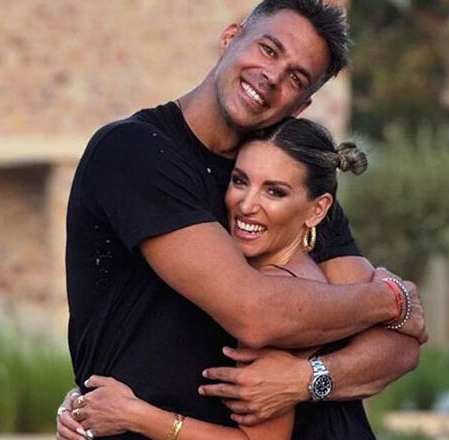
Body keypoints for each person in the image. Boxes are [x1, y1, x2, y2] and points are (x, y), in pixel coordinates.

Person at [57, 2, 427, 440]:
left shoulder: (290, 179)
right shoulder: (135, 153)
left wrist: (305, 379)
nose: (272, 76)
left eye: (295, 78)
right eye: (269, 49)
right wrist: (390, 300)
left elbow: (400, 346)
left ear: (301, 105)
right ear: (231, 37)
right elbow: (254, 314)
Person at [64, 118, 383, 439]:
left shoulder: (277, 302)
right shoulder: (297, 277)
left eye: (274, 192)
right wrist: (86, 405)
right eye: (240, 181)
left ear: (317, 210)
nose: (247, 205)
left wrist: (134, 415)